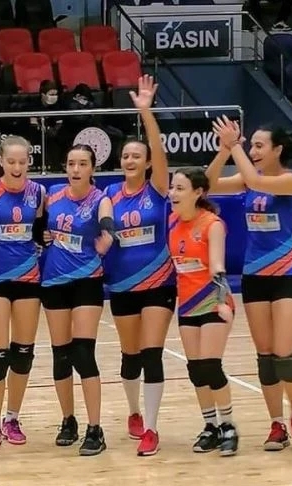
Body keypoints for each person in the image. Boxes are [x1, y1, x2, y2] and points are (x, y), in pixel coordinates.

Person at [206, 116, 292, 451]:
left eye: (259, 146)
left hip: (287, 276)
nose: (253, 151)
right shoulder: (248, 178)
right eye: (251, 145)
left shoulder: (291, 181)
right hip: (255, 277)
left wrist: (235, 144)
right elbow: (207, 185)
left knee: (285, 356)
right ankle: (276, 424)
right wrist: (225, 150)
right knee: (265, 357)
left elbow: (254, 180)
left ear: (278, 150)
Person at [102, 74, 175, 457]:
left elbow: (159, 150)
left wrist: (145, 112)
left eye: (137, 156)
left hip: (159, 284)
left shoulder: (158, 189)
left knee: (151, 353)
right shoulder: (109, 194)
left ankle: (152, 427)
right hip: (122, 286)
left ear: (147, 163)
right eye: (126, 156)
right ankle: (133, 411)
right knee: (130, 356)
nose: (130, 160)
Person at [41, 144, 114, 456]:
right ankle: (68, 420)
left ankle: (95, 428)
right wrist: (42, 235)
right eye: (71, 163)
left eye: (83, 163)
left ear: (92, 168)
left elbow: (107, 221)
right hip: (53, 282)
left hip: (86, 281)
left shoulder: (100, 198)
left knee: (83, 353)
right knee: (61, 355)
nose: (76, 169)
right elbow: (39, 227)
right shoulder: (53, 195)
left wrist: (108, 236)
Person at [0, 135, 45, 451]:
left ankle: (12, 418)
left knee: (23, 352)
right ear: (1, 162)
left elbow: (41, 231)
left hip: (29, 279)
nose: (17, 167)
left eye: (22, 161)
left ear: (29, 162)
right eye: (11, 161)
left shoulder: (38, 193)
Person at [168, 167, 239, 456]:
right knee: (196, 369)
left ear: (197, 192)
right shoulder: (172, 222)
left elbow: (218, 266)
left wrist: (222, 301)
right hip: (186, 304)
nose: (173, 193)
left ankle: (228, 425)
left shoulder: (212, 224)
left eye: (180, 188)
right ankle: (210, 426)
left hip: (212, 300)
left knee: (211, 365)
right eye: (172, 187)